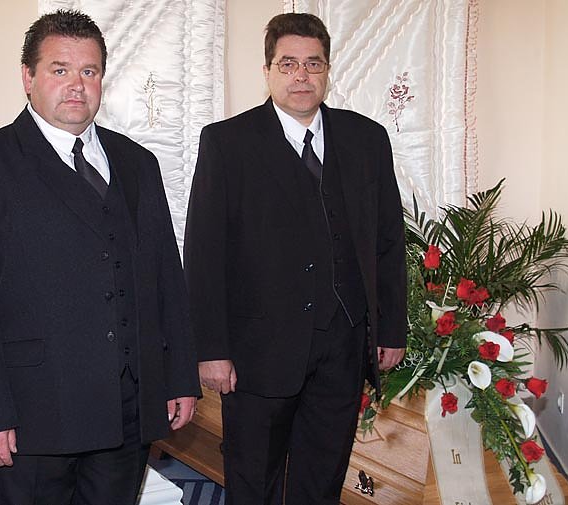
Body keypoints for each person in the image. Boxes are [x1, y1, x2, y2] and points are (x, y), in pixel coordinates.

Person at [0, 10, 199, 505]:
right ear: (28, 77)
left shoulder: (138, 163)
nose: (77, 85)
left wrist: (180, 377)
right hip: (34, 415)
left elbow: (166, 277)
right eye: (60, 69)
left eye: (89, 71)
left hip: (129, 410)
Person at [183, 12, 407, 505]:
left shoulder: (367, 140)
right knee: (253, 483)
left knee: (322, 481)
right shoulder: (227, 143)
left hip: (343, 346)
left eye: (313, 64)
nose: (301, 75)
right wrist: (210, 349)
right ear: (267, 71)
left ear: (327, 70)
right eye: (288, 64)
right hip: (258, 353)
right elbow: (203, 253)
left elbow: (388, 241)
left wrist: (391, 329)